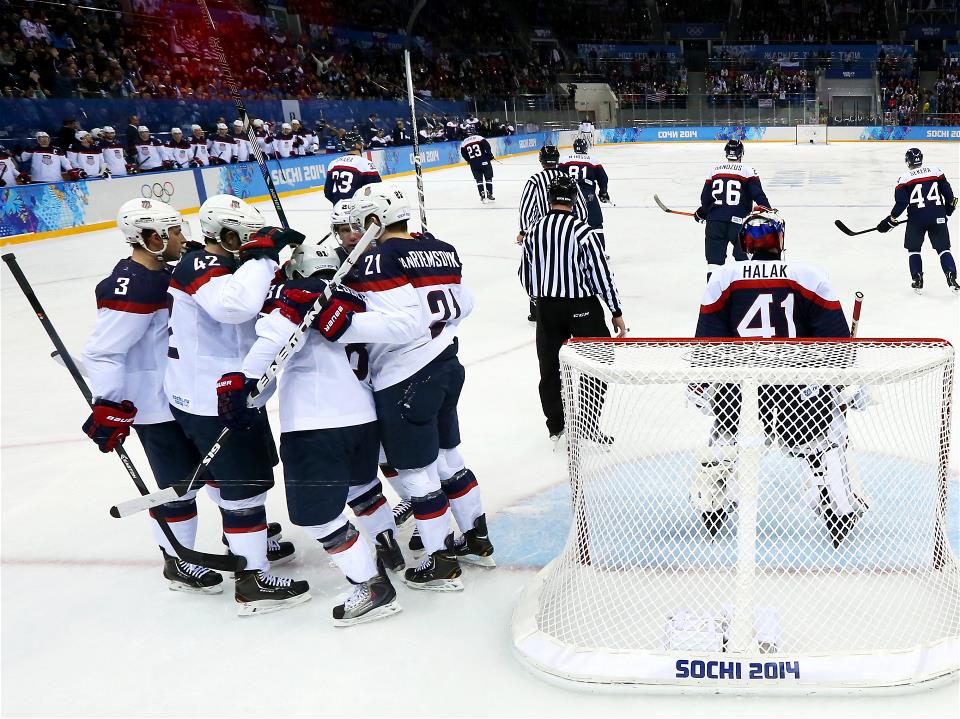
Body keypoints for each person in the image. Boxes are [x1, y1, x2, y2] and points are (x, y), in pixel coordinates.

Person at [314, 182, 495, 590]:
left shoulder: (380, 258)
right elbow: (464, 304)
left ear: (374, 219)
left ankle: (440, 562)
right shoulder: (442, 248)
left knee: (416, 475)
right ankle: (476, 539)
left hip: (406, 376)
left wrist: (342, 324)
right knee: (449, 459)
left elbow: (399, 324)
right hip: (447, 364)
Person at [228, 246, 404, 625]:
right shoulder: (359, 298)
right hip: (363, 416)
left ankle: (372, 586)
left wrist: (242, 384)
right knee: (362, 488)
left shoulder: (297, 293)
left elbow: (274, 339)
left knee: (316, 516)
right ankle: (389, 547)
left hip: (316, 423)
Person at [166, 194, 309, 615]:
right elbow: (234, 308)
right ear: (226, 236)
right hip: (214, 400)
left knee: (236, 479)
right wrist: (264, 258)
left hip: (220, 394)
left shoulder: (227, 265)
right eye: (245, 239)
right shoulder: (200, 265)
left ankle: (244, 538)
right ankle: (252, 580)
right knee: (244, 487)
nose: (251, 246)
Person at [82, 198, 228, 594]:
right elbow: (102, 351)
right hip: (156, 405)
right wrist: (109, 404)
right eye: (175, 232)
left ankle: (240, 532)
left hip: (184, 395)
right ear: (150, 238)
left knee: (213, 471)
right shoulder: (135, 284)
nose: (184, 238)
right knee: (180, 485)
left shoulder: (160, 271)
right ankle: (177, 561)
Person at [692, 211, 863, 547]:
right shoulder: (809, 275)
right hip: (797, 386)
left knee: (725, 439)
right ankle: (838, 510)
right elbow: (835, 341)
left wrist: (702, 386)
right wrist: (841, 379)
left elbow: (708, 344)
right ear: (781, 241)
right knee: (826, 441)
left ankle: (712, 505)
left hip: (740, 385)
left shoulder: (723, 277)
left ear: (744, 242)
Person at [519, 174, 625, 443]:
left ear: (550, 199)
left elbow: (525, 274)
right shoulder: (583, 232)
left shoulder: (533, 232)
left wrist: (540, 296)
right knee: (597, 361)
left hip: (547, 307)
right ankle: (588, 424)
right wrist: (615, 311)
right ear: (574, 200)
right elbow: (601, 275)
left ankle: (556, 426)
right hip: (582, 307)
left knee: (550, 367)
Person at [517, 144, 589, 321]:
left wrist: (524, 231)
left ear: (541, 161)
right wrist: (578, 227)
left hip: (541, 233)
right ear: (557, 160)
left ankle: (537, 309)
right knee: (568, 266)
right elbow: (582, 209)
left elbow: (526, 208)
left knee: (538, 267)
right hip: (568, 231)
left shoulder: (535, 180)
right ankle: (572, 303)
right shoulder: (567, 178)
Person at [875, 147, 957, 293]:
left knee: (914, 250)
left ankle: (917, 280)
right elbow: (949, 194)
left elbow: (902, 202)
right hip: (938, 216)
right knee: (944, 249)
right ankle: (951, 277)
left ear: (908, 161)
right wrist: (949, 209)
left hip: (916, 219)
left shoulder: (904, 179)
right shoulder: (936, 171)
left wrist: (891, 219)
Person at [694, 139, 773, 281]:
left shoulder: (714, 171)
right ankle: (743, 298)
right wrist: (768, 209)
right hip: (739, 223)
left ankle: (714, 299)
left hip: (715, 223)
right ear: (741, 153)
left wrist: (701, 213)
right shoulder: (748, 170)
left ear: (726, 153)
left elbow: (706, 199)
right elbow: (757, 194)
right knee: (743, 263)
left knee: (714, 263)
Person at [560, 136, 611, 249]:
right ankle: (599, 251)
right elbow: (603, 179)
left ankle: (570, 251)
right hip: (588, 195)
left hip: (568, 196)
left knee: (568, 223)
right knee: (596, 223)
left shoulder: (564, 159)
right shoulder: (593, 160)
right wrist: (603, 193)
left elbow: (557, 177)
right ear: (586, 148)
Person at [323, 132, 381, 205]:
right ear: (357, 145)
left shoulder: (333, 163)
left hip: (338, 209)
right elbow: (377, 189)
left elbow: (327, 191)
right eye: (361, 144)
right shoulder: (366, 163)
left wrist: (338, 203)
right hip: (357, 210)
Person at [459, 132, 495, 203]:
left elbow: (463, 153)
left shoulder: (464, 142)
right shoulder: (479, 138)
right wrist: (490, 155)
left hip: (474, 163)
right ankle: (489, 193)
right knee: (488, 178)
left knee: (479, 180)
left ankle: (482, 194)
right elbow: (487, 146)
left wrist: (469, 160)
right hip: (484, 160)